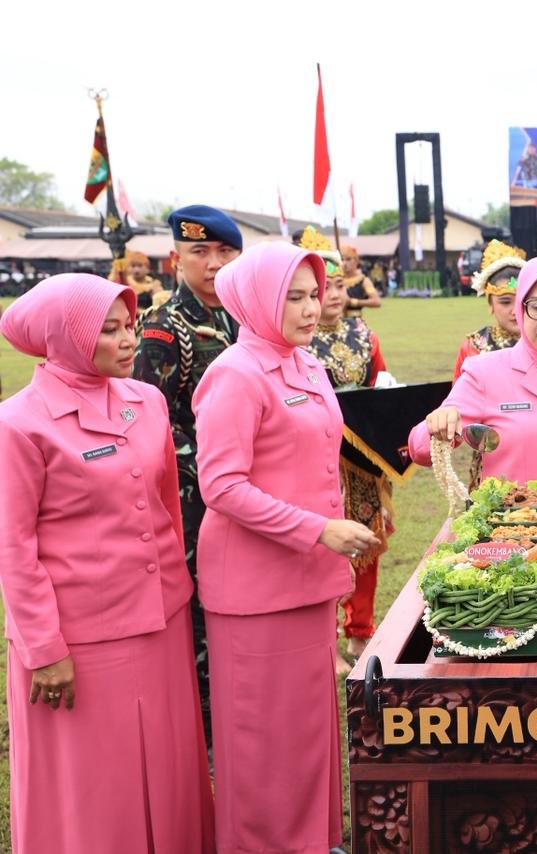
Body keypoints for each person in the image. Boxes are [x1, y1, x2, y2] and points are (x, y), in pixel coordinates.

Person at [0, 274, 214, 852]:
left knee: (168, 767)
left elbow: (168, 506)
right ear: (65, 340)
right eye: (110, 330)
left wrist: (178, 586)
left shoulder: (145, 401)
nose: (129, 340)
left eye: (130, 325)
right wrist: (44, 650)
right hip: (80, 641)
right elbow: (13, 548)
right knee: (95, 784)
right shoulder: (19, 423)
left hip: (162, 620)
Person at [193, 241, 375, 849]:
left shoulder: (308, 365)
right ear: (256, 303)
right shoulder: (235, 374)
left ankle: (313, 840)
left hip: (308, 579)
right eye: (291, 297)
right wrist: (317, 529)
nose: (309, 308)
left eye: (313, 295)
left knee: (307, 730)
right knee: (262, 739)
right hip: (255, 587)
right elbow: (220, 485)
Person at [133, 203, 242, 749]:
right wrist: (207, 464)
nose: (214, 264)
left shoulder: (244, 317)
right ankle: (204, 727)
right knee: (201, 604)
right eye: (200, 252)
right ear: (176, 258)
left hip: (241, 487)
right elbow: (149, 417)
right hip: (193, 493)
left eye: (224, 252)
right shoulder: (163, 326)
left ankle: (233, 708)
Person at [410, 255, 537, 483]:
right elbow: (420, 451)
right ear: (521, 309)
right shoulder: (484, 373)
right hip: (511, 517)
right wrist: (438, 424)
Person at [305, 230, 395, 673]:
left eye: (339, 285)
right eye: (324, 289)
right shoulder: (295, 340)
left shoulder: (364, 332)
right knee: (322, 548)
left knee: (367, 544)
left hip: (363, 462)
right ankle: (325, 639)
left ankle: (360, 634)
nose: (334, 296)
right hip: (313, 462)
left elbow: (381, 384)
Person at [454, 239, 525, 380]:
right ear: (490, 304)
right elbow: (458, 398)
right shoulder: (474, 346)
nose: (515, 311)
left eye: (522, 301)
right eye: (505, 302)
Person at [340, 242, 382, 317]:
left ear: (356, 261)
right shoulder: (337, 279)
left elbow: (376, 301)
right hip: (336, 321)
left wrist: (352, 302)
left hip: (354, 320)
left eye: (348, 259)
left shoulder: (363, 280)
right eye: (342, 259)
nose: (344, 263)